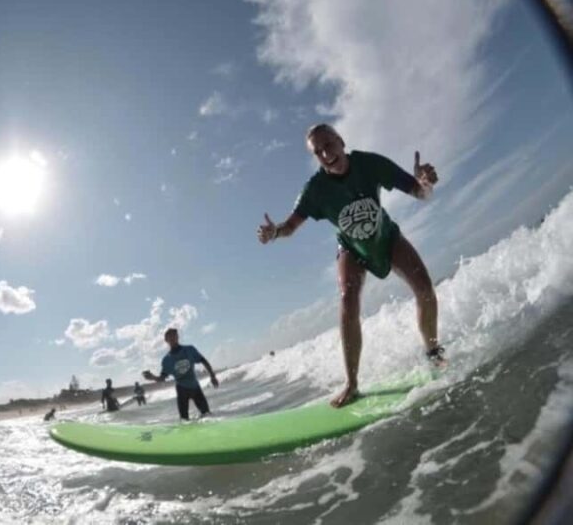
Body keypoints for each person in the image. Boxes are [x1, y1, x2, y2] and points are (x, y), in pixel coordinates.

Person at [257, 123, 447, 408]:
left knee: (425, 289)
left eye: (328, 145)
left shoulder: (369, 163)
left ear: (341, 141)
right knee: (347, 298)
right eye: (317, 151)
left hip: (386, 236)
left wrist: (426, 182)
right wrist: (275, 233)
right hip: (351, 249)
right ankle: (352, 384)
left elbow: (420, 193)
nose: (325, 153)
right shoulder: (315, 189)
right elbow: (291, 226)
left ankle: (433, 352)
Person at [142, 328, 219, 420]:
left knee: (207, 415)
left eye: (174, 335)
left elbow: (204, 361)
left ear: (177, 336)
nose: (173, 338)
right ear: (166, 340)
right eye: (170, 336)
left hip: (195, 387)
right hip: (182, 390)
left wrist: (212, 376)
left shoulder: (190, 349)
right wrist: (152, 377)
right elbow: (162, 378)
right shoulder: (167, 360)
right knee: (184, 421)